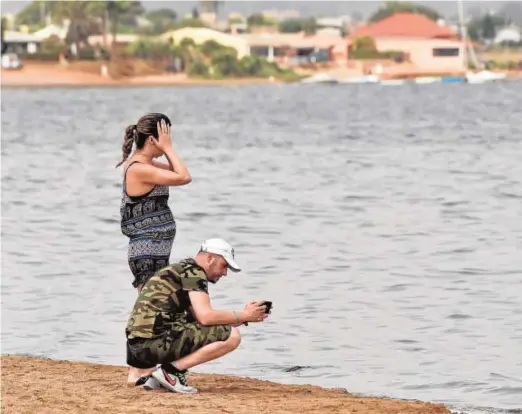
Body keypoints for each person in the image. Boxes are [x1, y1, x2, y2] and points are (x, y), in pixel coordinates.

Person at [125, 238, 269, 393]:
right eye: (224, 265)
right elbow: (206, 316)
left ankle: (146, 375)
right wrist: (243, 315)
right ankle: (170, 372)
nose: (225, 273)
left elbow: (201, 322)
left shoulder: (180, 269)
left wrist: (244, 317)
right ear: (210, 258)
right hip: (152, 343)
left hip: (137, 347)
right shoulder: (194, 272)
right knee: (232, 336)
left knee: (218, 329)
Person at [117, 113, 191, 292]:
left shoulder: (148, 165)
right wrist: (168, 149)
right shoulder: (139, 168)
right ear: (152, 140)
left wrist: (166, 148)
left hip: (157, 251)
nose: (169, 142)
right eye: (166, 138)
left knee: (162, 308)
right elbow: (184, 177)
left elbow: (177, 170)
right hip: (146, 254)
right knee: (152, 310)